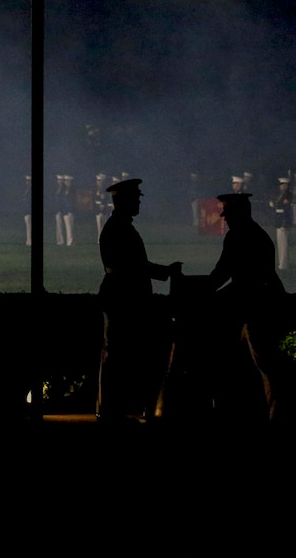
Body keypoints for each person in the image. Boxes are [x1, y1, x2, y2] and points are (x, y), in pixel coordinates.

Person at [96, 178, 181, 424]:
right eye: (135, 199)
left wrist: (163, 271)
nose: (138, 203)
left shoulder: (119, 226)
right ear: (124, 201)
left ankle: (115, 409)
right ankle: (113, 411)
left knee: (120, 356)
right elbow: (132, 266)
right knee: (119, 357)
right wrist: (165, 272)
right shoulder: (120, 228)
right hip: (124, 300)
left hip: (121, 298)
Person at [206, 192, 287, 423]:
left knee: (266, 366)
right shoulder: (257, 234)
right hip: (263, 302)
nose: (226, 219)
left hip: (253, 307)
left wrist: (202, 291)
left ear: (239, 214)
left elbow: (224, 273)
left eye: (229, 214)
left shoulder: (238, 236)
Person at [269, 176, 293, 270]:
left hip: (284, 221)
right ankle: (281, 262)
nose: (281, 186)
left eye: (283, 185)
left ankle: (284, 264)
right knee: (280, 244)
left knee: (283, 244)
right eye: (281, 185)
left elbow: (284, 207)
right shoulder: (281, 194)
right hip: (279, 220)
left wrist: (274, 204)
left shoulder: (287, 195)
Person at [54, 174, 74, 246]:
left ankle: (70, 241)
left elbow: (72, 200)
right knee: (60, 226)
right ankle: (61, 240)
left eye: (67, 180)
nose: (66, 182)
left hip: (69, 209)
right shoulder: (61, 189)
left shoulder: (72, 189)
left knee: (69, 226)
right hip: (62, 209)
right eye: (65, 180)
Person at [93, 172, 108, 243]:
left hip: (104, 209)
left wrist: (103, 204)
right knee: (99, 225)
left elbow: (106, 199)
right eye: (98, 181)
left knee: (104, 224)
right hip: (98, 209)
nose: (98, 182)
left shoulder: (105, 189)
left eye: (99, 181)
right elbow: (95, 199)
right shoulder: (96, 189)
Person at [23, 174, 32, 246]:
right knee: (28, 226)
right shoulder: (26, 189)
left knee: (29, 226)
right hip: (26, 210)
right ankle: (28, 240)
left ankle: (30, 240)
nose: (27, 182)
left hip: (29, 210)